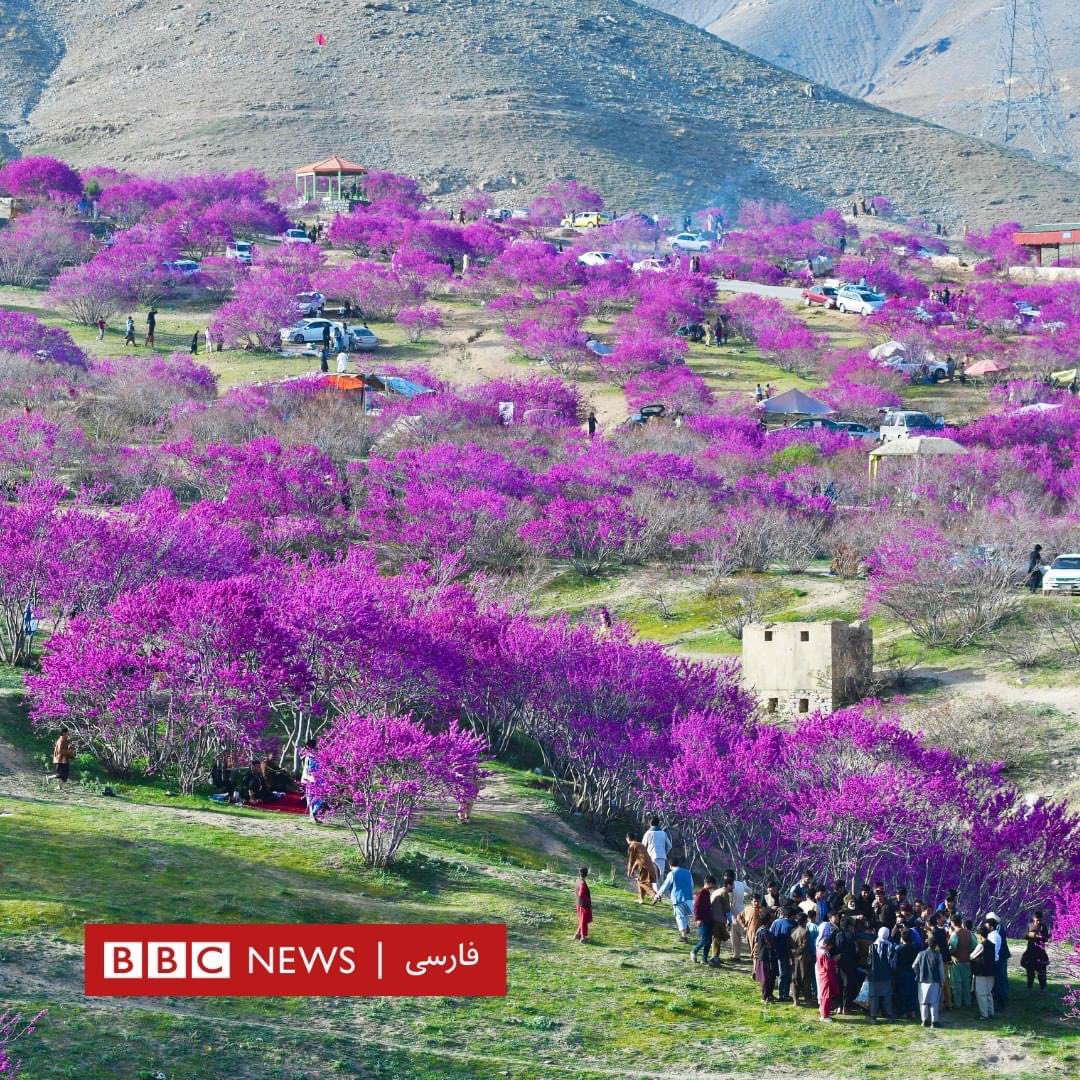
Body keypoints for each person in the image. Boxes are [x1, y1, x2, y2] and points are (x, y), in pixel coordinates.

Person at [654, 857, 694, 943]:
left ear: (670, 865)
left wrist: (658, 895)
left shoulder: (672, 873)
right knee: (685, 915)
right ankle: (686, 927)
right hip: (689, 898)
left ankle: (684, 936)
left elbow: (665, 885)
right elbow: (692, 885)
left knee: (679, 917)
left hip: (678, 899)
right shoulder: (688, 873)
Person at [913, 935, 945, 1028]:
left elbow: (914, 965)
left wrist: (918, 974)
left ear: (927, 943)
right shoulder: (938, 955)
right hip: (934, 981)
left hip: (922, 981)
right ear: (936, 945)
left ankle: (924, 1020)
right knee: (934, 1002)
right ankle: (934, 1021)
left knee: (923, 1001)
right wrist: (942, 980)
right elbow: (941, 969)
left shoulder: (921, 954)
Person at [866, 926, 897, 1021]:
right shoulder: (891, 947)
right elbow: (893, 962)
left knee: (874, 997)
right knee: (887, 997)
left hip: (874, 975)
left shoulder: (872, 946)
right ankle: (889, 1016)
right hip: (886, 975)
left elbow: (869, 962)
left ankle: (873, 1017)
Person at [815, 918, 840, 1021]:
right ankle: (824, 1015)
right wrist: (834, 960)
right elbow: (828, 966)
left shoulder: (820, 950)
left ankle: (824, 1012)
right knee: (826, 995)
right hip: (826, 975)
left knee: (824, 995)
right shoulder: (825, 953)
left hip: (822, 974)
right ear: (827, 945)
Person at [770, 906, 796, 1002]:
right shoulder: (792, 924)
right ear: (792, 916)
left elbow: (771, 934)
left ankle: (781, 994)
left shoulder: (776, 922)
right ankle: (785, 994)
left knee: (782, 974)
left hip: (777, 952)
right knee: (788, 974)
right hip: (788, 953)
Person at [948, 914, 974, 1009]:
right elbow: (974, 945)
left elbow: (952, 948)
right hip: (967, 960)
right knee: (967, 982)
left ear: (952, 922)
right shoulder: (969, 933)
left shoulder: (955, 934)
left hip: (957, 961)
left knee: (957, 984)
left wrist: (950, 954)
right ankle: (967, 1002)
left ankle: (957, 1003)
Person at [971, 927, 996, 1019]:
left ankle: (984, 1014)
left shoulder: (981, 945)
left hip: (981, 972)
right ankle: (991, 1012)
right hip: (991, 971)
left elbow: (972, 956)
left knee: (981, 994)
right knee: (988, 993)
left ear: (980, 935)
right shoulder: (992, 944)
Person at [1020, 911, 1050, 992]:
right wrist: (1032, 935)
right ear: (1033, 919)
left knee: (1042, 972)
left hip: (1040, 952)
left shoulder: (1043, 927)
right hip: (1030, 952)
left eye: (1039, 920)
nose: (1037, 922)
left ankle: (1043, 989)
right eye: (1036, 920)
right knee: (1030, 972)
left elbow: (1046, 938)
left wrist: (1041, 937)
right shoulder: (1029, 925)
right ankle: (1029, 988)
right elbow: (1024, 935)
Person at [986, 913, 1010, 1011]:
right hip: (1001, 955)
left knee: (1000, 978)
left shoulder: (998, 930)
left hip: (1000, 957)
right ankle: (1001, 996)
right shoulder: (999, 928)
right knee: (1001, 977)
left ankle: (1001, 999)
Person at [625, 836, 658, 903]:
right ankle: (641, 899)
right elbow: (638, 859)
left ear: (627, 839)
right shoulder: (640, 845)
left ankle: (655, 895)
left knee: (641, 882)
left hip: (644, 866)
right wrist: (633, 870)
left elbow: (631, 860)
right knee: (641, 881)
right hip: (649, 865)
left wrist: (629, 871)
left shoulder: (632, 845)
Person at [691, 875, 716, 964]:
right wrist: (698, 919)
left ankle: (704, 959)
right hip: (703, 920)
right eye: (712, 884)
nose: (713, 887)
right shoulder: (701, 893)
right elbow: (696, 907)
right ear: (707, 883)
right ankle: (694, 951)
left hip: (709, 919)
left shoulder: (707, 893)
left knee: (709, 941)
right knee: (704, 939)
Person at [790, 912, 813, 1005]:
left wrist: (793, 952)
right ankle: (807, 999)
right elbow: (805, 945)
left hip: (793, 957)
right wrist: (797, 951)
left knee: (794, 978)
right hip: (803, 958)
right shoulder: (805, 932)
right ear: (804, 921)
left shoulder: (793, 930)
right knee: (805, 978)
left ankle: (796, 999)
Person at [642, 817, 671, 882]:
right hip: (661, 856)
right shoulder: (663, 833)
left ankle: (655, 891)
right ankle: (660, 891)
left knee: (653, 877)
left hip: (651, 856)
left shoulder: (648, 833)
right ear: (658, 824)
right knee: (661, 877)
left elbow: (643, 846)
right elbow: (669, 846)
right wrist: (665, 853)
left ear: (650, 823)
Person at [709, 878, 731, 964]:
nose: (733, 888)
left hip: (714, 917)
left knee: (717, 938)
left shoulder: (717, 891)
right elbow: (727, 908)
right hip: (718, 918)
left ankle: (716, 956)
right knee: (717, 938)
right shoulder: (724, 893)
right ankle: (714, 957)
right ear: (728, 885)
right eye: (732, 885)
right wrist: (730, 920)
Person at [573, 867, 593, 942]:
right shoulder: (582, 883)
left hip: (578, 903)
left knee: (582, 920)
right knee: (583, 920)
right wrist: (587, 902)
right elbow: (581, 894)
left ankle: (577, 934)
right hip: (583, 905)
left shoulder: (578, 881)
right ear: (586, 874)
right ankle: (583, 938)